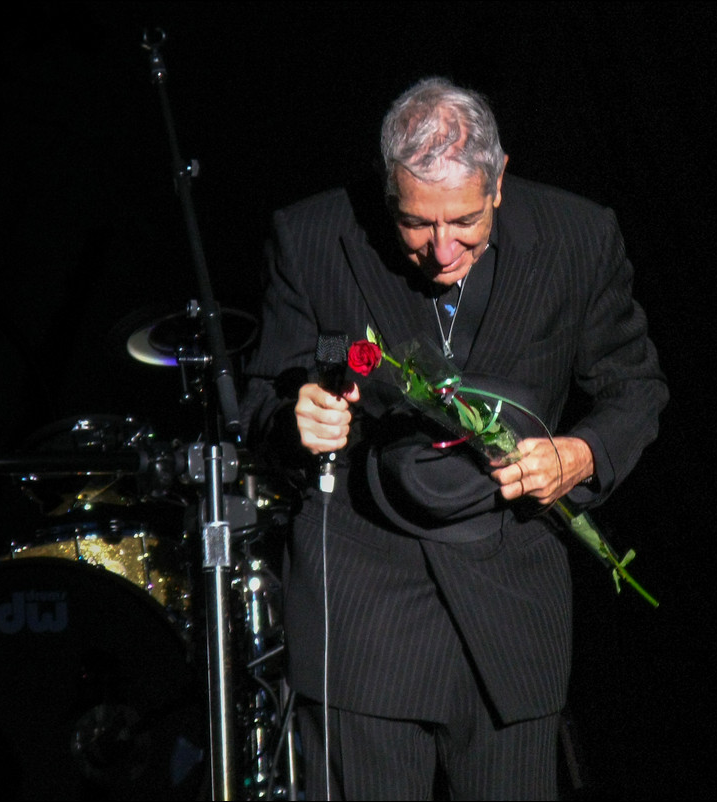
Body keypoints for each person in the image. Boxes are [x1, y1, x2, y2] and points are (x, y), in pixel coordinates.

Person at [239, 76, 668, 800]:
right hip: (364, 612)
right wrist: (294, 419)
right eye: (417, 224)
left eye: (465, 221)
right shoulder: (311, 238)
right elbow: (260, 401)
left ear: (499, 180)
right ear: (386, 191)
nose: (442, 251)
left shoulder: (577, 238)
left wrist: (581, 454)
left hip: (511, 608)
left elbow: (635, 387)